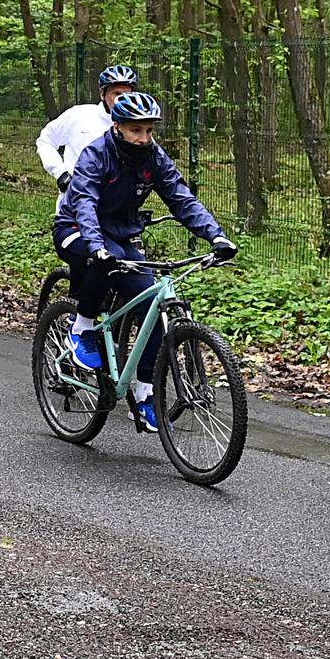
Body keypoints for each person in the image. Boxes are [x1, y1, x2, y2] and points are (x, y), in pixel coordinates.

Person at [52, 91, 237, 431]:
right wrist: (96, 246)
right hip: (76, 228)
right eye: (136, 130)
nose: (143, 138)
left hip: (119, 236)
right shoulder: (96, 155)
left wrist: (216, 236)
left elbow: (181, 198)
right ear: (118, 126)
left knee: (152, 303)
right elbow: (85, 205)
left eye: (149, 130)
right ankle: (81, 329)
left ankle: (144, 392)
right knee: (101, 264)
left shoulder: (154, 157)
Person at [36, 65, 138, 206]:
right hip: (75, 202)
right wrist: (61, 173)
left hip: (115, 208)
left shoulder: (137, 126)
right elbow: (46, 140)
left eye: (128, 95)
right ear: (102, 94)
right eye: (117, 94)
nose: (123, 100)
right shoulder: (79, 115)